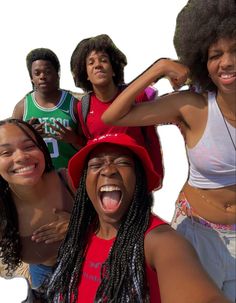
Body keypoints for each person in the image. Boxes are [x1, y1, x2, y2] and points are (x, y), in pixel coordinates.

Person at [102, 0, 236, 300]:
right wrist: (160, 68)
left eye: (235, 51)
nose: (226, 62)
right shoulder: (192, 105)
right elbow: (113, 116)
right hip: (198, 235)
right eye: (216, 54)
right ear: (202, 60)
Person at [46, 133, 230, 303]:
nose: (108, 170)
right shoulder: (78, 236)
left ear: (139, 180)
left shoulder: (161, 242)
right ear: (85, 183)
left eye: (123, 162)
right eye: (96, 164)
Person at [70, 34, 175, 189]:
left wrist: (156, 175)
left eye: (104, 60)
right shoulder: (83, 106)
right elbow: (90, 143)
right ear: (86, 74)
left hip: (135, 178)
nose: (98, 65)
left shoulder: (137, 97)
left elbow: (151, 138)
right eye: (91, 63)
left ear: (113, 69)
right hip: (105, 180)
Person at [0, 118, 74, 293]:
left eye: (29, 146)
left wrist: (79, 224)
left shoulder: (71, 180)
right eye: (6, 153)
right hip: (41, 276)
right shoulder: (2, 208)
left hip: (90, 268)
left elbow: (121, 223)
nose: (21, 157)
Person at [12, 48, 83, 169]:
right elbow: (12, 148)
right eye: (37, 73)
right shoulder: (22, 107)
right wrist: (29, 136)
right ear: (31, 78)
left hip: (69, 177)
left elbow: (88, 145)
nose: (42, 76)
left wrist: (73, 139)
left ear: (57, 74)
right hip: (37, 177)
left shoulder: (74, 104)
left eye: (47, 71)